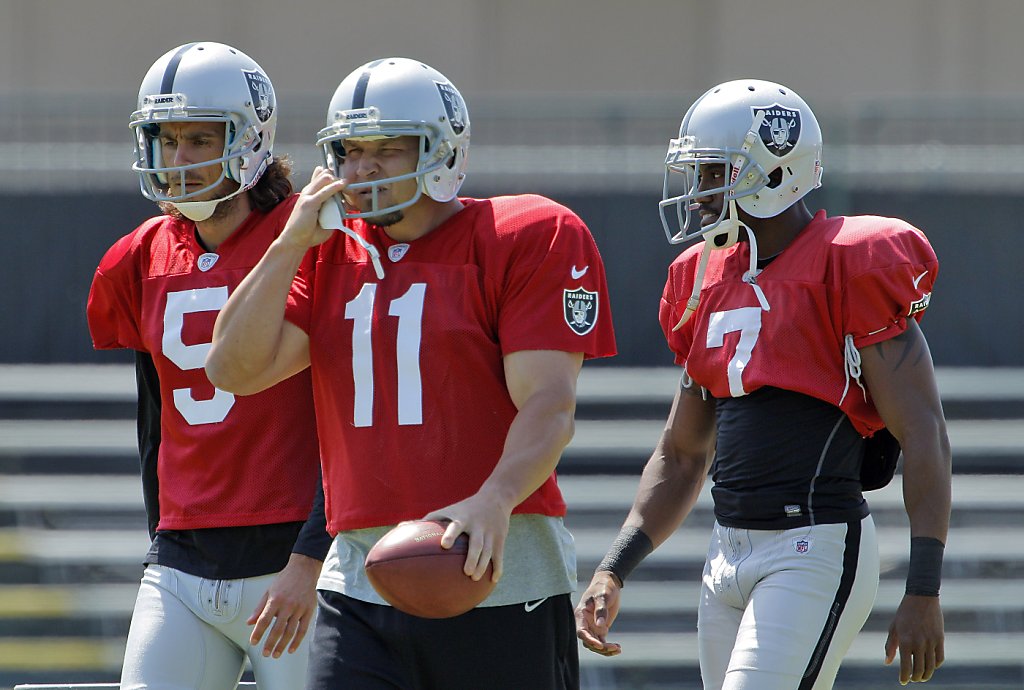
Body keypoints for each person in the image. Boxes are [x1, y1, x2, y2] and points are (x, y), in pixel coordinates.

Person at [205, 57, 617, 690]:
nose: (362, 168)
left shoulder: (529, 233)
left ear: (444, 151)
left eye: (388, 150)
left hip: (498, 571)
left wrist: (495, 497)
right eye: (350, 150)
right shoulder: (328, 252)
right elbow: (234, 370)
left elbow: (549, 405)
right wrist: (286, 245)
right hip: (359, 579)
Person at [574, 79, 951, 689]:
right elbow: (682, 452)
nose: (698, 194)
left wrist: (924, 588)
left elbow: (924, 431)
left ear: (773, 171)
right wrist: (614, 568)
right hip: (726, 554)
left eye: (713, 172)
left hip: (814, 545)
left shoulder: (847, 261)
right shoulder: (703, 279)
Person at [86, 41, 332, 689]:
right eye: (168, 139)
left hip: (292, 551)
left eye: (201, 138)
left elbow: (353, 419)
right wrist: (160, 538)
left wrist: (314, 555)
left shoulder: (315, 237)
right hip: (182, 555)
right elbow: (155, 417)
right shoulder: (136, 256)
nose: (182, 159)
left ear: (251, 140)